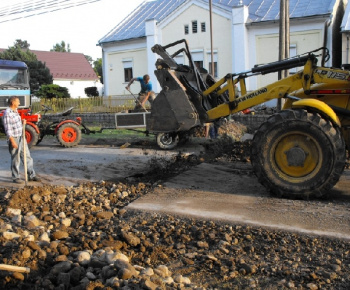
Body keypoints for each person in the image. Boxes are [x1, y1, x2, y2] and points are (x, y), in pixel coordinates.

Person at [2, 96, 40, 184]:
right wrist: (12, 141)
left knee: (27, 156)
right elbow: (8, 129)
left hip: (21, 137)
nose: (19, 103)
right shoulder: (8, 113)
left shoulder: (15, 112)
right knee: (16, 158)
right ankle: (16, 177)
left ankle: (31, 175)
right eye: (18, 102)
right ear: (13, 103)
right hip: (14, 138)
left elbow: (15, 124)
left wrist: (22, 122)